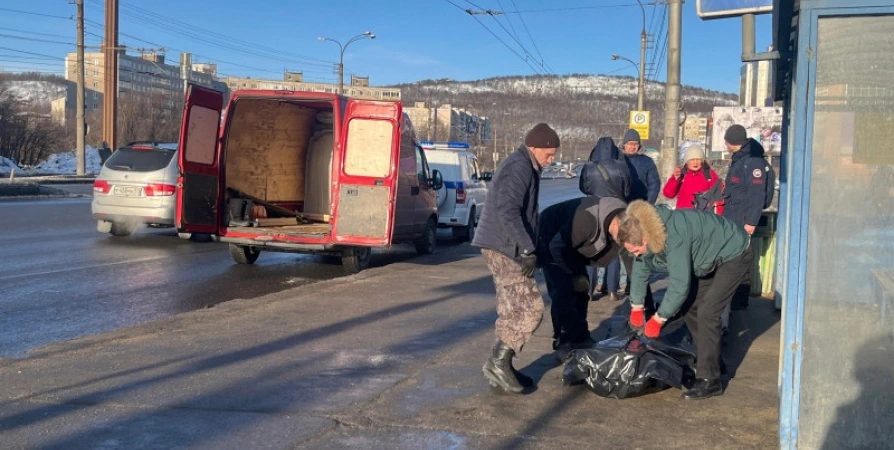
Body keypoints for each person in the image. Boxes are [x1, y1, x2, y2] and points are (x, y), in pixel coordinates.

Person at [617, 200, 752, 399]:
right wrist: (636, 306)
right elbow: (640, 269)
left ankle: (710, 380)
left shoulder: (673, 237)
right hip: (706, 260)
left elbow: (679, 285)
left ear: (645, 240)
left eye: (635, 250)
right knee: (690, 306)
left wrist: (658, 319)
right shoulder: (646, 232)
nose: (634, 255)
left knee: (708, 312)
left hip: (734, 251)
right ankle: (712, 361)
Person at [472, 122, 559, 394]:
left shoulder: (527, 165)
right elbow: (508, 211)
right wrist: (527, 249)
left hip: (503, 244)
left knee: (512, 308)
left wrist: (535, 247)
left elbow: (525, 214)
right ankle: (499, 362)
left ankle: (502, 366)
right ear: (535, 147)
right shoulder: (520, 166)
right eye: (550, 153)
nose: (552, 159)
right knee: (531, 308)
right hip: (504, 246)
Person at [537, 196, 628, 360]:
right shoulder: (586, 221)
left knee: (582, 289)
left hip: (573, 244)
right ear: (615, 224)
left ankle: (580, 336)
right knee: (563, 292)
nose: (619, 242)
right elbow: (556, 247)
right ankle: (562, 340)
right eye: (618, 237)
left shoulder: (624, 217)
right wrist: (572, 274)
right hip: (550, 238)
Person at [721, 124, 770, 311]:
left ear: (733, 142)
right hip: (733, 216)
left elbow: (756, 194)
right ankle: (734, 299)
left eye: (726, 141)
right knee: (734, 257)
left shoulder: (753, 161)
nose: (725, 145)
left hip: (742, 219)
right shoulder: (740, 159)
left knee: (742, 259)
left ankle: (740, 302)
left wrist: (751, 222)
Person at [578, 136, 631, 301]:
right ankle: (612, 290)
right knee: (613, 249)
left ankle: (589, 290)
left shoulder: (589, 166)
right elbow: (627, 189)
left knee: (591, 248)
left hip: (594, 209)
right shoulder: (621, 166)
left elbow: (582, 187)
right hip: (615, 210)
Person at [662, 143, 724, 214]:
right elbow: (668, 194)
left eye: (698, 159)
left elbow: (718, 194)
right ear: (687, 161)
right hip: (683, 216)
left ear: (702, 161)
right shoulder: (681, 174)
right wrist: (675, 180)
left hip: (702, 216)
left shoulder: (709, 175)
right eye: (692, 159)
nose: (695, 162)